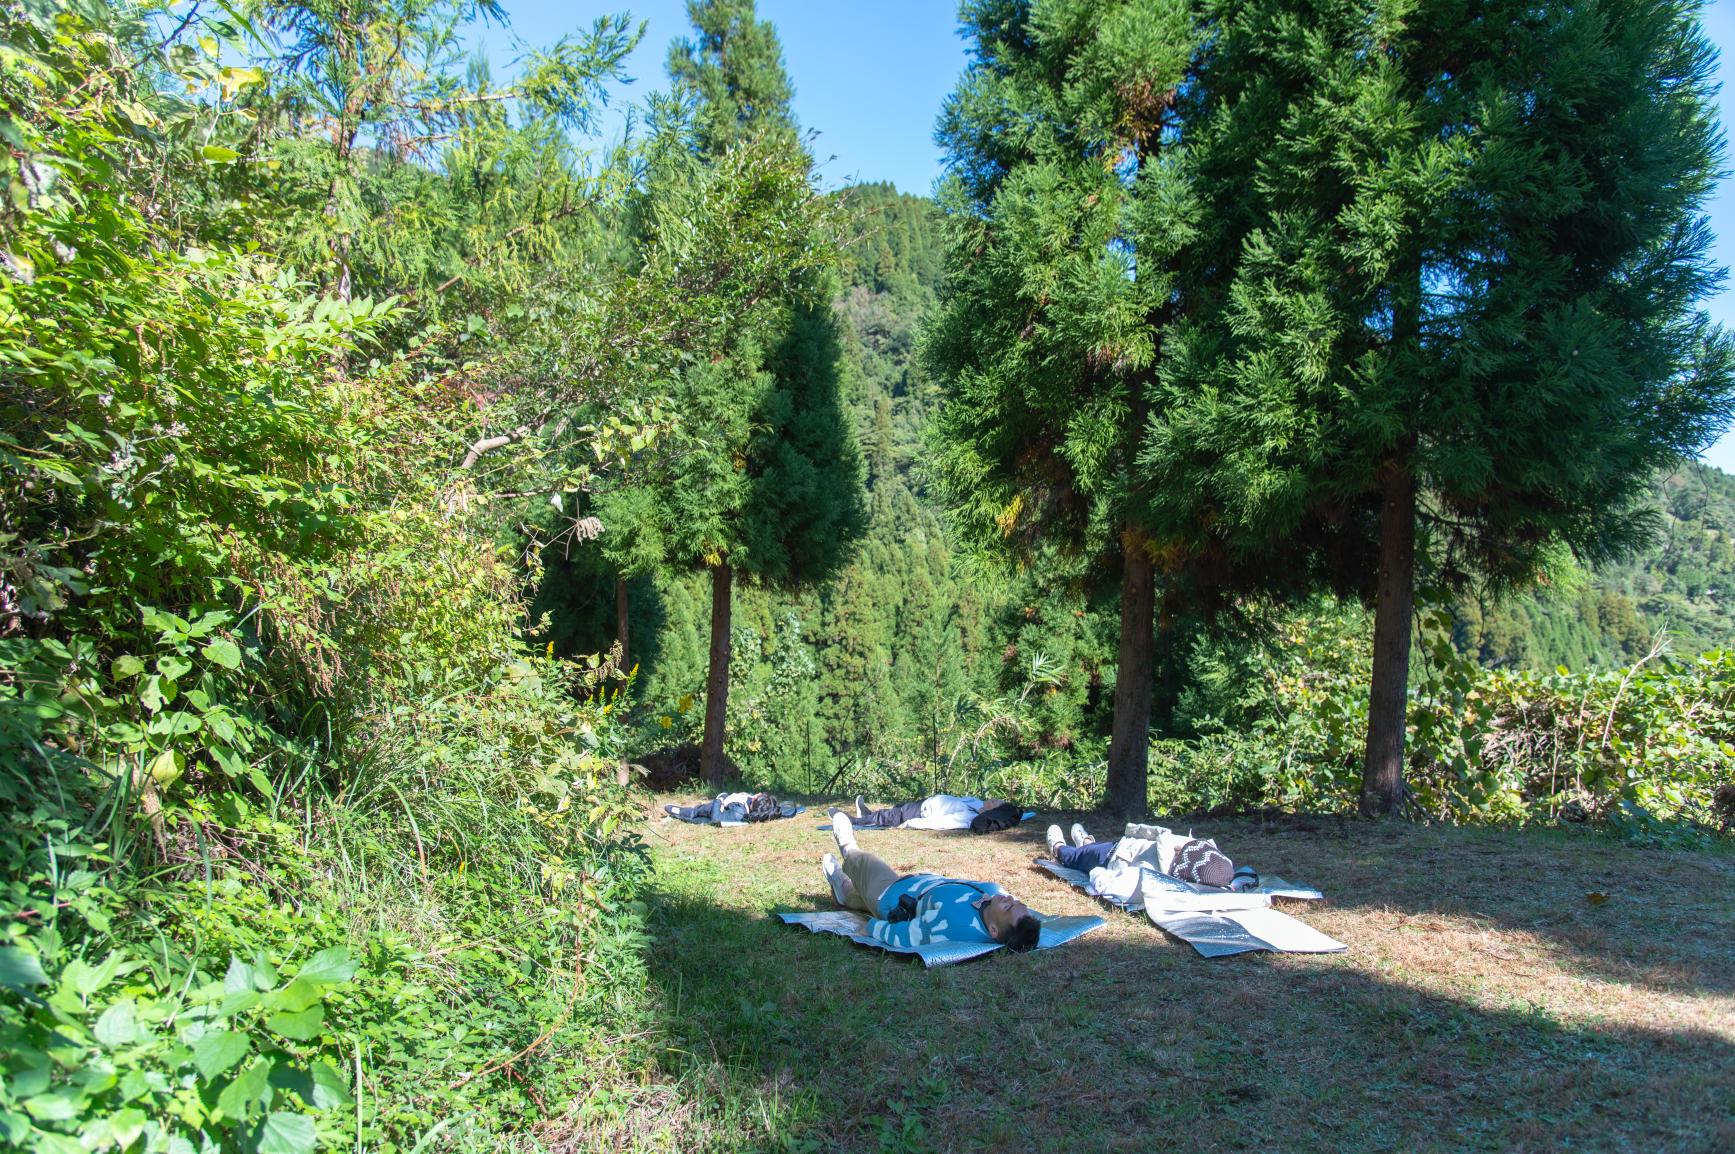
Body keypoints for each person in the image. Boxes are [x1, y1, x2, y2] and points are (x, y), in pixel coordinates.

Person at [819, 812, 1042, 951]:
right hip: (917, 883)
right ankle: (843, 890)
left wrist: (873, 928)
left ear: (993, 930)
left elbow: (909, 936)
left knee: (863, 860)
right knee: (855, 898)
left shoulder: (956, 927)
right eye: (1015, 901)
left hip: (888, 894)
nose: (1008, 898)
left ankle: (847, 848)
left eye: (1007, 905)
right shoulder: (997, 903)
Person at [1046, 822, 1258, 892]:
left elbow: (1106, 882)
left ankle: (1058, 848)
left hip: (1110, 856)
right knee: (1088, 851)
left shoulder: (1151, 873)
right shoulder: (1215, 866)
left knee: (1074, 858)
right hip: (1118, 848)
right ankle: (1085, 843)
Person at [829, 793, 1022, 833]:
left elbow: (940, 822)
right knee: (893, 811)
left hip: (922, 813)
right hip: (927, 803)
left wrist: (911, 824)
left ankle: (851, 820)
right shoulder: (976, 803)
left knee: (889, 818)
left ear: (993, 809)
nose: (993, 799)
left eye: (996, 801)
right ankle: (866, 815)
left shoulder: (969, 817)